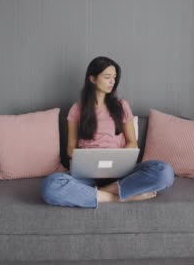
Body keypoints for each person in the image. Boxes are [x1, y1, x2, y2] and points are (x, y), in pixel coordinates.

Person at [41, 56, 174, 208]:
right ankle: (115, 197)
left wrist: (119, 157)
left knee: (165, 171)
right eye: (107, 77)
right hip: (87, 173)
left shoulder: (122, 106)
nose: (112, 81)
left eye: (114, 77)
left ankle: (97, 192)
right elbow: (70, 147)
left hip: (121, 172)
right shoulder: (77, 109)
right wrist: (84, 157)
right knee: (50, 186)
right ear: (92, 79)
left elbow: (132, 142)